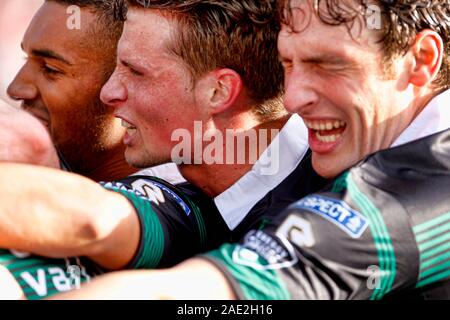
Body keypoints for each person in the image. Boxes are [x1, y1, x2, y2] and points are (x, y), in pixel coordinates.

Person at [53, 0, 450, 300]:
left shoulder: (426, 191)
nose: (292, 99)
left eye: (328, 65)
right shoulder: (306, 159)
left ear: (421, 61)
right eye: (288, 63)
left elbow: (211, 294)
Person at [0, 0, 326, 299]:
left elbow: (95, 222)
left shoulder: (351, 191)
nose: (109, 92)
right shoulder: (199, 195)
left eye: (136, 72)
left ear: (219, 91)